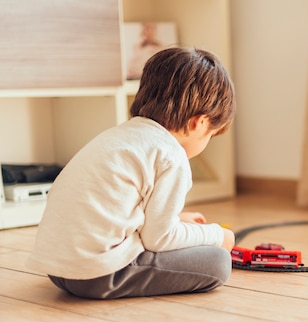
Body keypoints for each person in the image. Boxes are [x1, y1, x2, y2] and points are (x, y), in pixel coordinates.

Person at [26, 47, 236, 299]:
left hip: (58, 269)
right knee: (217, 262)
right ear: (199, 123)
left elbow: (119, 209)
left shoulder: (121, 136)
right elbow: (160, 239)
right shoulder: (172, 154)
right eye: (212, 134)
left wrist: (177, 220)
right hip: (98, 275)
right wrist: (216, 235)